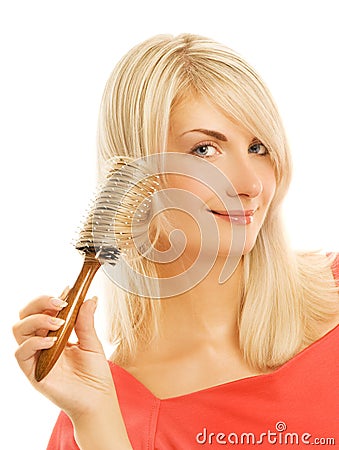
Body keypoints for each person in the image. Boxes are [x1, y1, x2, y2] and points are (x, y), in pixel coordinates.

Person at [13, 34, 339, 449]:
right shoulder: (101, 411)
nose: (251, 183)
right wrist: (97, 420)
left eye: (258, 146)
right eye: (205, 149)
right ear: (132, 175)